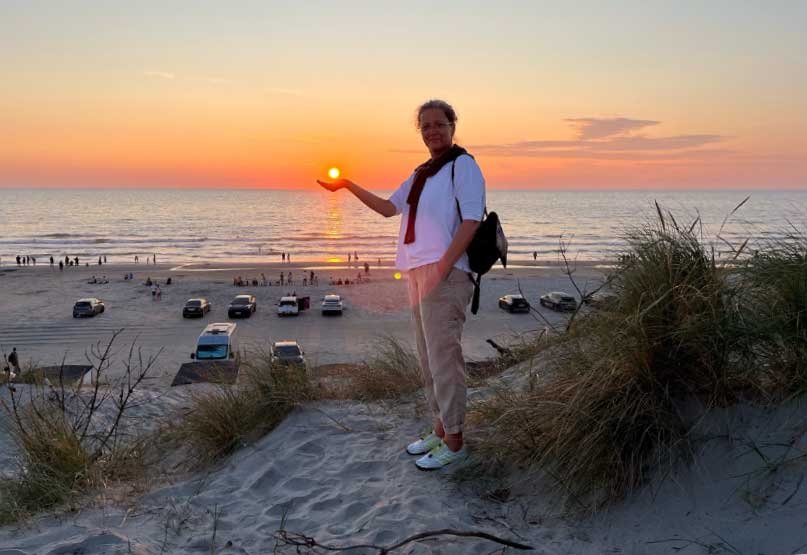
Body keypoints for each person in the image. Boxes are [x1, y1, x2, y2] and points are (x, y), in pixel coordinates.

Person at [318, 99, 484, 470]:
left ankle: (455, 442)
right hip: (417, 272)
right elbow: (388, 208)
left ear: (453, 126)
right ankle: (440, 428)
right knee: (427, 359)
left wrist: (442, 267)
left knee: (445, 359)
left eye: (439, 124)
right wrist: (346, 184)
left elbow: (472, 220)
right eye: (425, 126)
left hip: (446, 273)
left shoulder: (463, 166)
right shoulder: (421, 174)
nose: (432, 131)